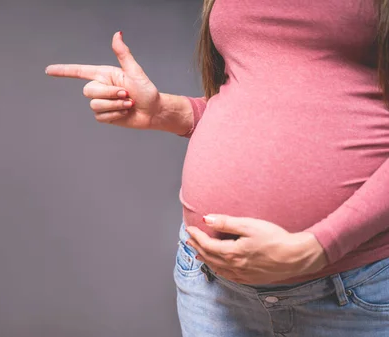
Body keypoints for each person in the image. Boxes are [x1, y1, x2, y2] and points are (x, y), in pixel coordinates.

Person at [45, 0, 389, 336]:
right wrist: (166, 111)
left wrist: (319, 246)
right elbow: (256, 94)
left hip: (354, 289)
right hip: (212, 288)